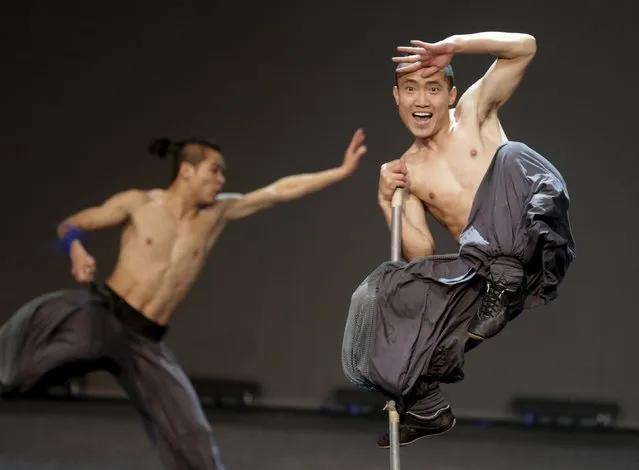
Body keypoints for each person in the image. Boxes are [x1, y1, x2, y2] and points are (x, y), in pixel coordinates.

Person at [0, 129, 368, 470]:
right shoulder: (139, 203)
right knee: (28, 366)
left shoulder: (217, 214)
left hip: (146, 342)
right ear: (187, 171)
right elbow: (71, 225)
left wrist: (340, 171)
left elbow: (277, 191)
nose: (222, 180)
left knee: (192, 435)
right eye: (215, 171)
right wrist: (77, 252)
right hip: (104, 317)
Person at [340, 32, 576, 448]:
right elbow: (421, 255)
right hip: (485, 286)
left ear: (451, 94)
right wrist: (384, 197)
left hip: (533, 241)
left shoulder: (473, 113)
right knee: (383, 289)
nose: (422, 101)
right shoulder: (407, 170)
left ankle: (502, 283)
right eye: (411, 90)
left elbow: (525, 46)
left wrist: (455, 45)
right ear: (396, 97)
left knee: (512, 154)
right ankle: (426, 404)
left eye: (433, 88)